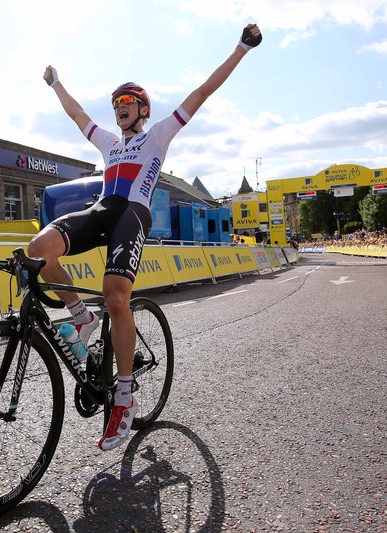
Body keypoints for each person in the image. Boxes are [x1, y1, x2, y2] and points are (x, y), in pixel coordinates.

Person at [28, 23, 262, 451]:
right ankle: (81, 315)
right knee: (38, 251)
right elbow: (78, 115)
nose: (120, 107)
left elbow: (202, 92)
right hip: (102, 209)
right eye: (116, 102)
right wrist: (57, 84)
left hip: (132, 215)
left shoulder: (158, 135)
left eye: (128, 102)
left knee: (117, 298)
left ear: (142, 109)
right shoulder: (109, 145)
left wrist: (241, 48)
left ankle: (124, 395)